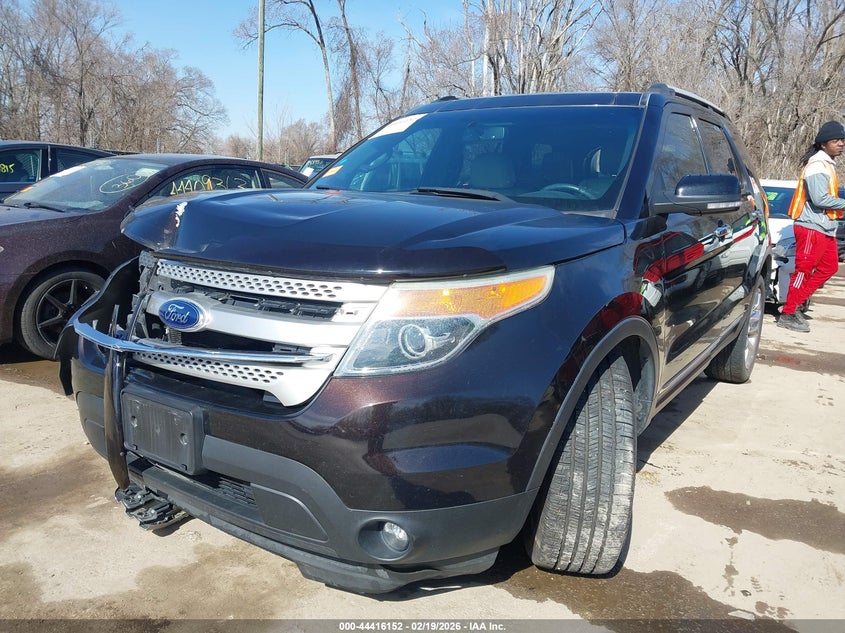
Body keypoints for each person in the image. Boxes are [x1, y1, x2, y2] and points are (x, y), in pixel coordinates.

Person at [778, 120, 845, 332]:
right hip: (810, 227)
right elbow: (819, 199)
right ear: (823, 144)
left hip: (824, 227)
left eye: (842, 140)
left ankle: (796, 302)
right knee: (803, 270)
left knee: (829, 267)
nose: (841, 144)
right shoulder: (817, 165)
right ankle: (788, 313)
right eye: (836, 140)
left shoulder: (827, 164)